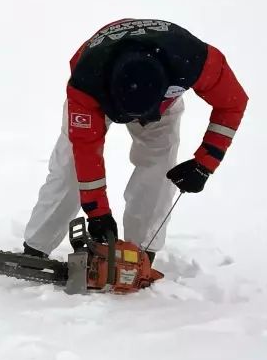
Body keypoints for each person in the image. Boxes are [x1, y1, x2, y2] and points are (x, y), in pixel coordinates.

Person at [21, 18, 248, 258]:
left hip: (161, 99)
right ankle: (36, 247)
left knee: (160, 168)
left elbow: (232, 104)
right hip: (97, 91)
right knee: (70, 168)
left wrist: (205, 163)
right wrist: (97, 213)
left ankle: (140, 252)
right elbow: (85, 152)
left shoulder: (196, 61)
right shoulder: (85, 82)